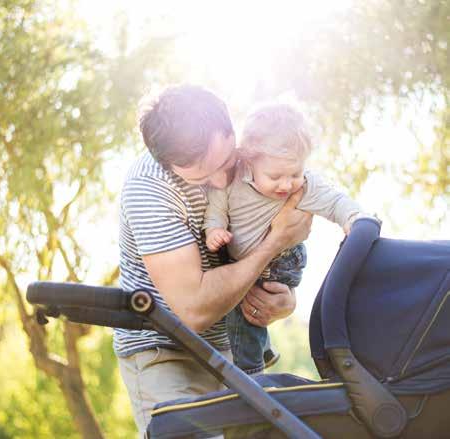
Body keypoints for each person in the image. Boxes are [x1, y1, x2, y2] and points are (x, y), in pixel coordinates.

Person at [115, 85, 313, 437]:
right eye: (204, 177)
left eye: (226, 163)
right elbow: (195, 310)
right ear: (169, 162)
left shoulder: (255, 158)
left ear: (229, 127)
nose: (222, 180)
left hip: (230, 348)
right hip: (165, 351)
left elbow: (278, 248)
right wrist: (274, 242)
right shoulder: (149, 189)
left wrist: (283, 301)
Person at [204, 103, 368, 375]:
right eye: (275, 176)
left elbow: (336, 201)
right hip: (250, 258)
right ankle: (264, 350)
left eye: (294, 173)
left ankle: (250, 374)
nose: (286, 185)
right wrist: (214, 229)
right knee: (242, 295)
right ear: (248, 161)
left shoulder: (305, 187)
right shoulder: (232, 181)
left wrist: (354, 220)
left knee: (241, 307)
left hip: (283, 261)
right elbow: (216, 207)